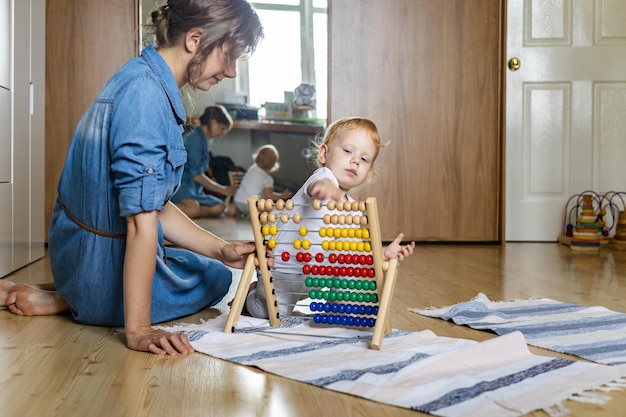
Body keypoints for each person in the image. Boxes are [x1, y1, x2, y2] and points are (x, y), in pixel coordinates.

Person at [0, 0, 264, 356]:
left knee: (215, 269)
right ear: (195, 38)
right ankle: (76, 299)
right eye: (228, 56)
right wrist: (138, 330)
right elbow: (141, 225)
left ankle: (69, 293)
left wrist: (221, 248)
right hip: (95, 259)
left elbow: (154, 205)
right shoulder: (145, 95)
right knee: (212, 281)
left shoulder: (145, 78)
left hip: (84, 253)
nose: (231, 72)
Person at [244, 117, 416, 319]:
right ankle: (253, 295)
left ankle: (337, 313)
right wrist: (326, 187)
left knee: (351, 275)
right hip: (284, 270)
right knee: (269, 313)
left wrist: (383, 253)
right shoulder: (323, 176)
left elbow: (356, 256)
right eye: (348, 151)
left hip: (317, 274)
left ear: (369, 171)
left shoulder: (354, 211)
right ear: (324, 154)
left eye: (365, 159)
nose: (355, 161)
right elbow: (318, 185)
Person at [171, 104, 237, 218]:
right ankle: (168, 212)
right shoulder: (194, 139)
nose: (222, 134)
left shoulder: (203, 140)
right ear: (213, 122)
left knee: (219, 207)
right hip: (181, 186)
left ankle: (187, 212)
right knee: (193, 208)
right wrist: (222, 190)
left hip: (194, 189)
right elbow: (197, 176)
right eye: (222, 129)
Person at [227, 144, 293, 217]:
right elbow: (270, 196)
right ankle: (254, 214)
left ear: (257, 157)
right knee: (268, 208)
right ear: (273, 164)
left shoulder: (252, 169)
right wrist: (282, 196)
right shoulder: (268, 179)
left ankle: (235, 208)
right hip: (252, 205)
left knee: (248, 196)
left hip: (238, 201)